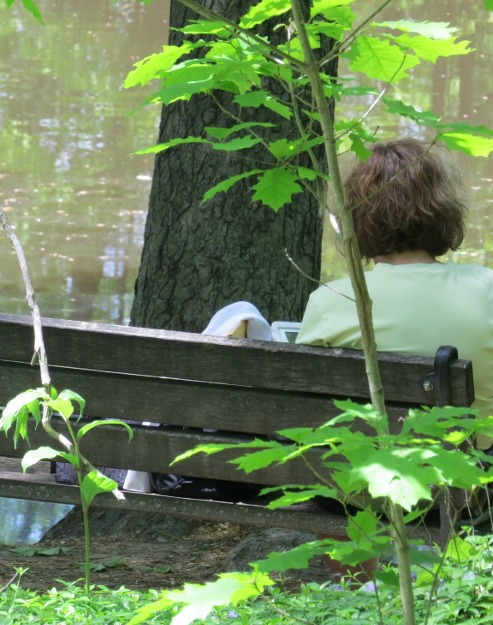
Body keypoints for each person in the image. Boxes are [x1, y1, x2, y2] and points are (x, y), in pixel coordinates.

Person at [296, 138, 493, 451]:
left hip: (359, 484)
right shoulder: (487, 288)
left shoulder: (331, 300)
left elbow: (301, 409)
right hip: (474, 481)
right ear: (444, 209)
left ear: (355, 216)